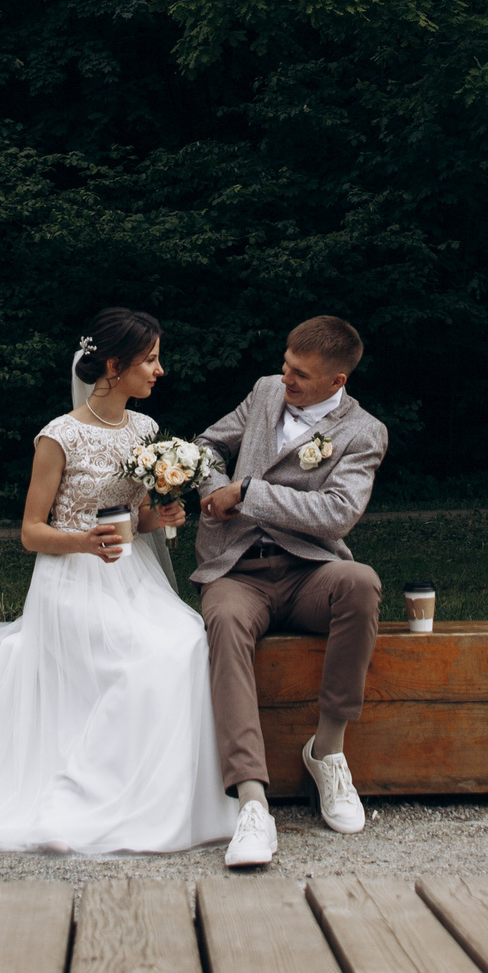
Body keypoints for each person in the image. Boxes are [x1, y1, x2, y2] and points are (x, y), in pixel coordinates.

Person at [0, 308, 238, 855]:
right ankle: (83, 795)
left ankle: (151, 797)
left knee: (185, 641)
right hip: (72, 583)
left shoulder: (147, 431)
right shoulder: (58, 437)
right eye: (150, 360)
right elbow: (32, 533)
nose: (160, 370)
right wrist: (84, 541)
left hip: (133, 579)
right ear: (113, 364)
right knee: (142, 658)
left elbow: (134, 519)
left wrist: (161, 517)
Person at [194, 314, 388, 870]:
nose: (286, 380)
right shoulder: (263, 392)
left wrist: (250, 492)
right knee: (225, 624)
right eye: (285, 365)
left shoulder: (362, 432)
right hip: (237, 571)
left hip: (309, 572)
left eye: (300, 374)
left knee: (361, 582)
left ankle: (326, 751)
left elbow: (337, 515)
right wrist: (214, 490)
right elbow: (207, 446)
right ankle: (252, 801)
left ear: (337, 381)